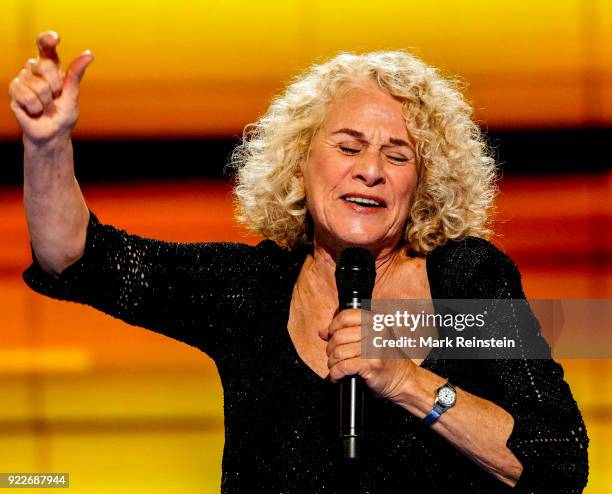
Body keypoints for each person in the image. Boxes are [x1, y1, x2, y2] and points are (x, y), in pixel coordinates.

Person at [10, 31, 589, 493]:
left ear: (424, 183)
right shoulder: (249, 290)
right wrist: (46, 146)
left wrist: (408, 381)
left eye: (398, 154)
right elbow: (74, 257)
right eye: (348, 146)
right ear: (299, 163)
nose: (370, 169)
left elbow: (557, 462)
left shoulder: (467, 280)